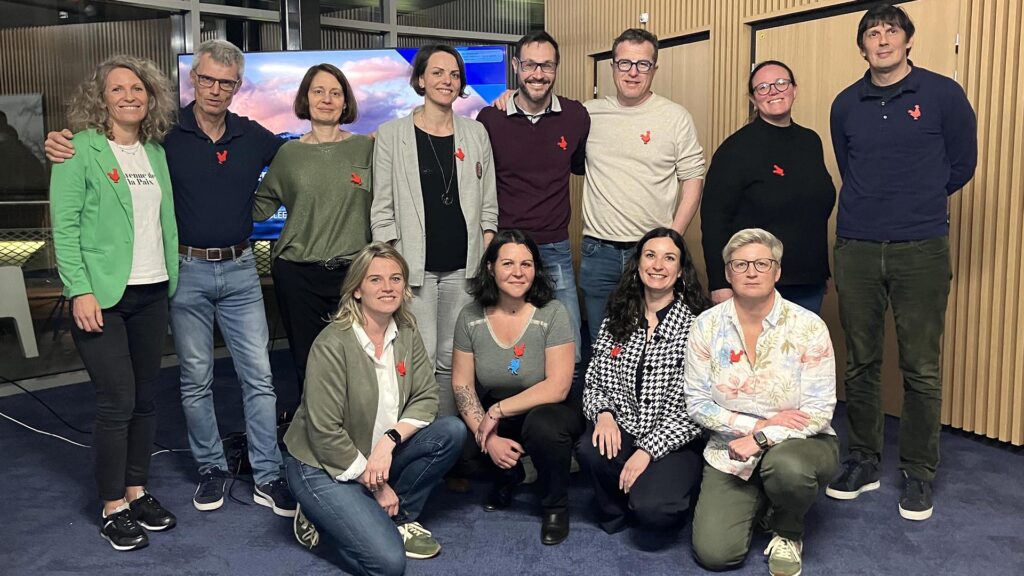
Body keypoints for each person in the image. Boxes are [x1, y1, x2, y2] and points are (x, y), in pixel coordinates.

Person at [46, 39, 295, 518]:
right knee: (194, 380)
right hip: (186, 273)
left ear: (238, 86)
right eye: (206, 79)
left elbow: (299, 153)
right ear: (192, 80)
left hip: (239, 270)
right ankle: (209, 470)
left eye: (226, 82)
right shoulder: (165, 133)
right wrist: (58, 142)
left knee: (260, 379)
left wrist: (362, 142)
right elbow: (97, 155)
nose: (216, 89)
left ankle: (267, 474)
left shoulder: (246, 134)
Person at [825, 4, 977, 521]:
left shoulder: (942, 95)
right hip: (858, 246)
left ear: (908, 41)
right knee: (861, 361)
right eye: (872, 33)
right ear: (862, 46)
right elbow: (849, 166)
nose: (882, 39)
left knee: (921, 367)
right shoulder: (846, 103)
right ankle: (863, 461)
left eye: (891, 31)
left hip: (921, 247)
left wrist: (918, 200)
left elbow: (961, 164)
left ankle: (918, 472)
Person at [50, 55, 179, 551]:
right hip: (101, 296)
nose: (129, 96)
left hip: (152, 290)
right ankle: (111, 505)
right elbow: (64, 227)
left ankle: (136, 490)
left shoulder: (155, 152)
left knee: (146, 399)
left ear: (151, 98)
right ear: (100, 98)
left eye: (138, 88)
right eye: (118, 89)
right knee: (117, 400)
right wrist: (78, 288)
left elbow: (162, 222)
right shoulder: (78, 150)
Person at [283, 242, 466, 576]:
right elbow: (325, 434)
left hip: (375, 451)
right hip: (321, 463)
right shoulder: (332, 343)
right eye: (376, 280)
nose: (388, 288)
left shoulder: (407, 332)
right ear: (356, 290)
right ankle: (320, 517)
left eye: (396, 279)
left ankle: (398, 516)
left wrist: (388, 441)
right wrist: (379, 487)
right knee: (388, 563)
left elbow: (426, 397)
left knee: (451, 431)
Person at [685, 228, 838, 576]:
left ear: (777, 271)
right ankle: (765, 502)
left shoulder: (808, 327)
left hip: (802, 446)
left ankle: (788, 529)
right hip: (730, 451)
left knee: (787, 469)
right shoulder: (705, 327)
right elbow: (697, 403)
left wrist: (762, 438)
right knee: (715, 554)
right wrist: (754, 426)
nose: (751, 272)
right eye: (740, 264)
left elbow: (817, 411)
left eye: (761, 263)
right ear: (727, 273)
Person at [371, 43, 498, 418]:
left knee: (453, 358)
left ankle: (448, 440)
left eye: (454, 74)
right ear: (421, 79)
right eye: (438, 72)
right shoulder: (392, 134)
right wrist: (393, 267)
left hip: (464, 268)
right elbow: (382, 209)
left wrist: (485, 251)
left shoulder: (476, 134)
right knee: (419, 354)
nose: (447, 80)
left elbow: (489, 206)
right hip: (413, 271)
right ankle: (417, 435)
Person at [450, 229, 583, 545]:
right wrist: (489, 438)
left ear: (536, 269)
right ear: (490, 268)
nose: (518, 272)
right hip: (500, 408)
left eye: (527, 264)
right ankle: (514, 473)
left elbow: (559, 387)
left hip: (550, 409)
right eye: (508, 263)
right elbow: (462, 384)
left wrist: (496, 412)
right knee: (462, 450)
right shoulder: (470, 317)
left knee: (542, 428)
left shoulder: (553, 312)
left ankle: (555, 506)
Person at [579, 27, 705, 345]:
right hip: (599, 251)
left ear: (654, 69)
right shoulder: (587, 114)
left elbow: (693, 177)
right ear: (612, 67)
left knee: (653, 344)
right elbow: (541, 114)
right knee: (602, 345)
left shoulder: (675, 117)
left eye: (643, 64)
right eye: (624, 63)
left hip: (652, 254)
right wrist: (510, 96)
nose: (633, 72)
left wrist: (672, 238)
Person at [254, 63, 374, 393]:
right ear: (305, 100)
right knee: (308, 361)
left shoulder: (367, 148)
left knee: (358, 361)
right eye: (318, 91)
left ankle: (356, 435)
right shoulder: (288, 154)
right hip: (297, 273)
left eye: (335, 93)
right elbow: (260, 207)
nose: (327, 99)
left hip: (354, 274)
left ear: (346, 103)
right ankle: (314, 435)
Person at [580, 227, 708, 536]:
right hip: (625, 425)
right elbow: (594, 379)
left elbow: (699, 406)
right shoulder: (619, 316)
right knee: (589, 448)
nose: (658, 265)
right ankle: (617, 508)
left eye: (669, 258)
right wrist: (605, 414)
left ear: (680, 272)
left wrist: (647, 450)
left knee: (655, 513)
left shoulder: (699, 324)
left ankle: (656, 494)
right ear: (638, 265)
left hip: (675, 438)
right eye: (650, 256)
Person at [476, 30, 590, 365]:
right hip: (506, 248)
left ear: (556, 68)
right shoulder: (490, 119)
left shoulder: (576, 116)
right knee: (507, 347)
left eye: (546, 66)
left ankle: (560, 415)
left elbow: (578, 164)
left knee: (570, 349)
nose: (537, 74)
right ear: (515, 66)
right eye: (529, 65)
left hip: (554, 249)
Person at [700, 60, 836, 313]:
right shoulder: (736, 149)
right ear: (753, 99)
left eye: (781, 83)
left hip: (809, 283)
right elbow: (714, 219)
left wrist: (821, 268)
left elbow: (814, 209)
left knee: (803, 353)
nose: (773, 91)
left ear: (794, 89)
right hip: (755, 284)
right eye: (763, 87)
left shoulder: (810, 141)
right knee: (757, 354)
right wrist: (719, 282)